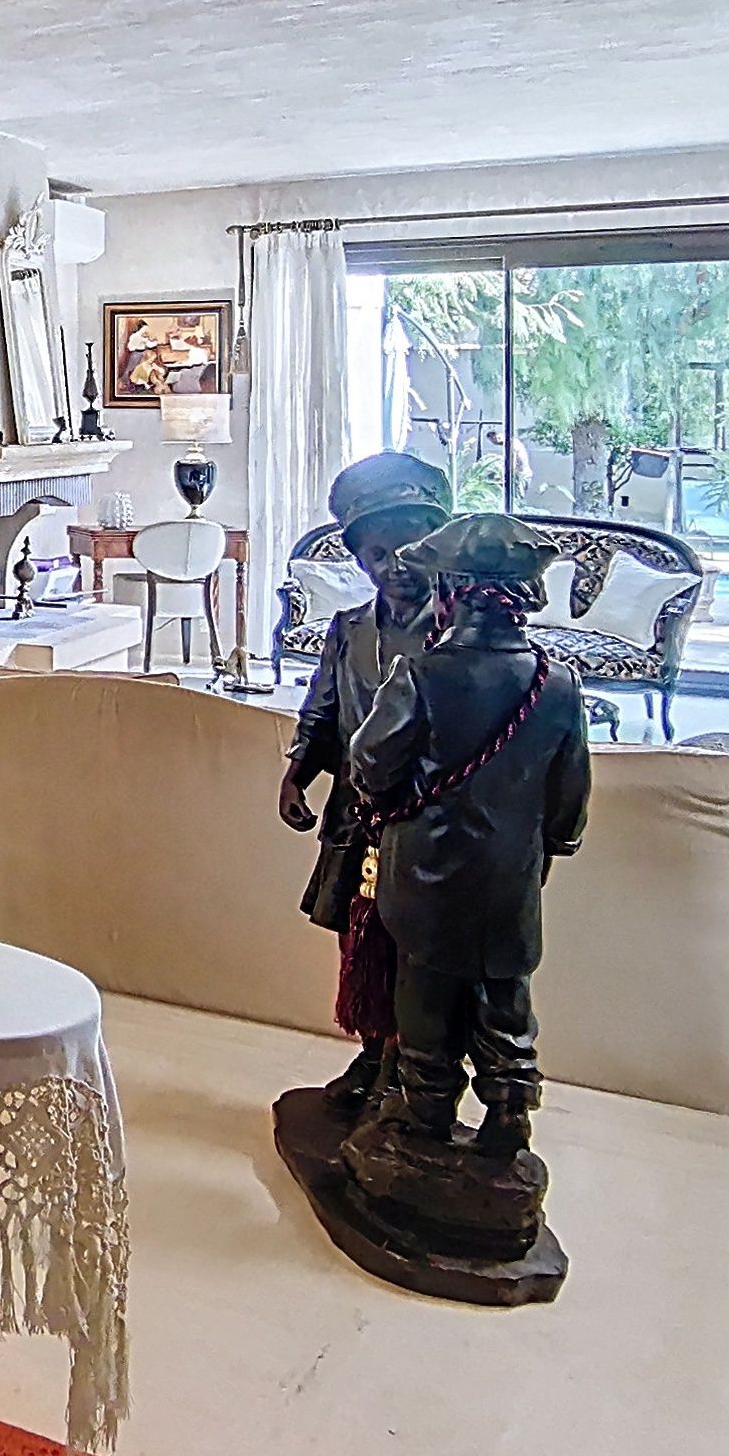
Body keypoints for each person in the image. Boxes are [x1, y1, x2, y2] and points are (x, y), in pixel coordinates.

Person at [345, 513, 592, 1158]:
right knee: (505, 998)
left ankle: (425, 1115)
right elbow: (569, 796)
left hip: (425, 877)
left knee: (426, 997)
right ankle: (509, 1114)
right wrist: (547, 848)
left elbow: (370, 763)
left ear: (451, 592)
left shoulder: (421, 675)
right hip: (511, 879)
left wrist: (388, 803)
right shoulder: (558, 683)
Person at [279, 452, 453, 1112]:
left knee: (421, 948)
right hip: (356, 818)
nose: (394, 566)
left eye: (410, 549)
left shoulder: (460, 635)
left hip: (428, 820)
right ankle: (374, 1052)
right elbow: (322, 710)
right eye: (377, 555)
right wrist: (298, 773)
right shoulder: (348, 630)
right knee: (362, 941)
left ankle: (415, 1066)